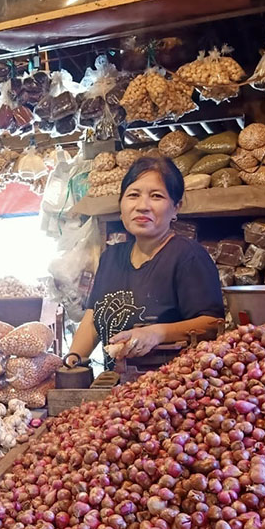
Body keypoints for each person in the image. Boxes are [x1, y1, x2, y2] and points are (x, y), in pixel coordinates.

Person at [64, 157, 224, 370]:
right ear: (121, 205)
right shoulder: (111, 257)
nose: (142, 206)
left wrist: (157, 333)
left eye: (156, 196)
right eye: (133, 195)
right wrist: (73, 359)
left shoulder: (187, 255)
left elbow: (213, 323)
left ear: (176, 207)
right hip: (119, 387)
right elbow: (94, 318)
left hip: (173, 389)